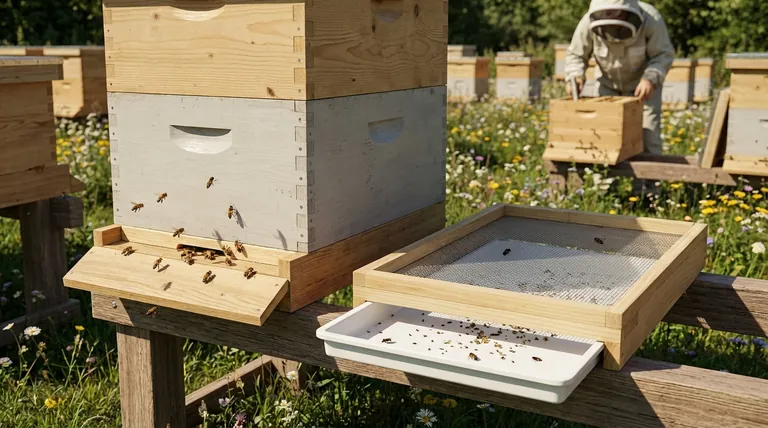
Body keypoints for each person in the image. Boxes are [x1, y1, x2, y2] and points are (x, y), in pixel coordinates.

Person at [564, 0, 675, 157]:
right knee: (604, 137)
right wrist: (575, 76)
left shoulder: (651, 19)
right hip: (607, 88)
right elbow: (576, 54)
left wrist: (650, 78)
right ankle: (605, 180)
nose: (611, 17)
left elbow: (663, 54)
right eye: (607, 12)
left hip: (643, 91)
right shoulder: (588, 22)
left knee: (648, 137)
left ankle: (650, 181)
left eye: (616, 12)